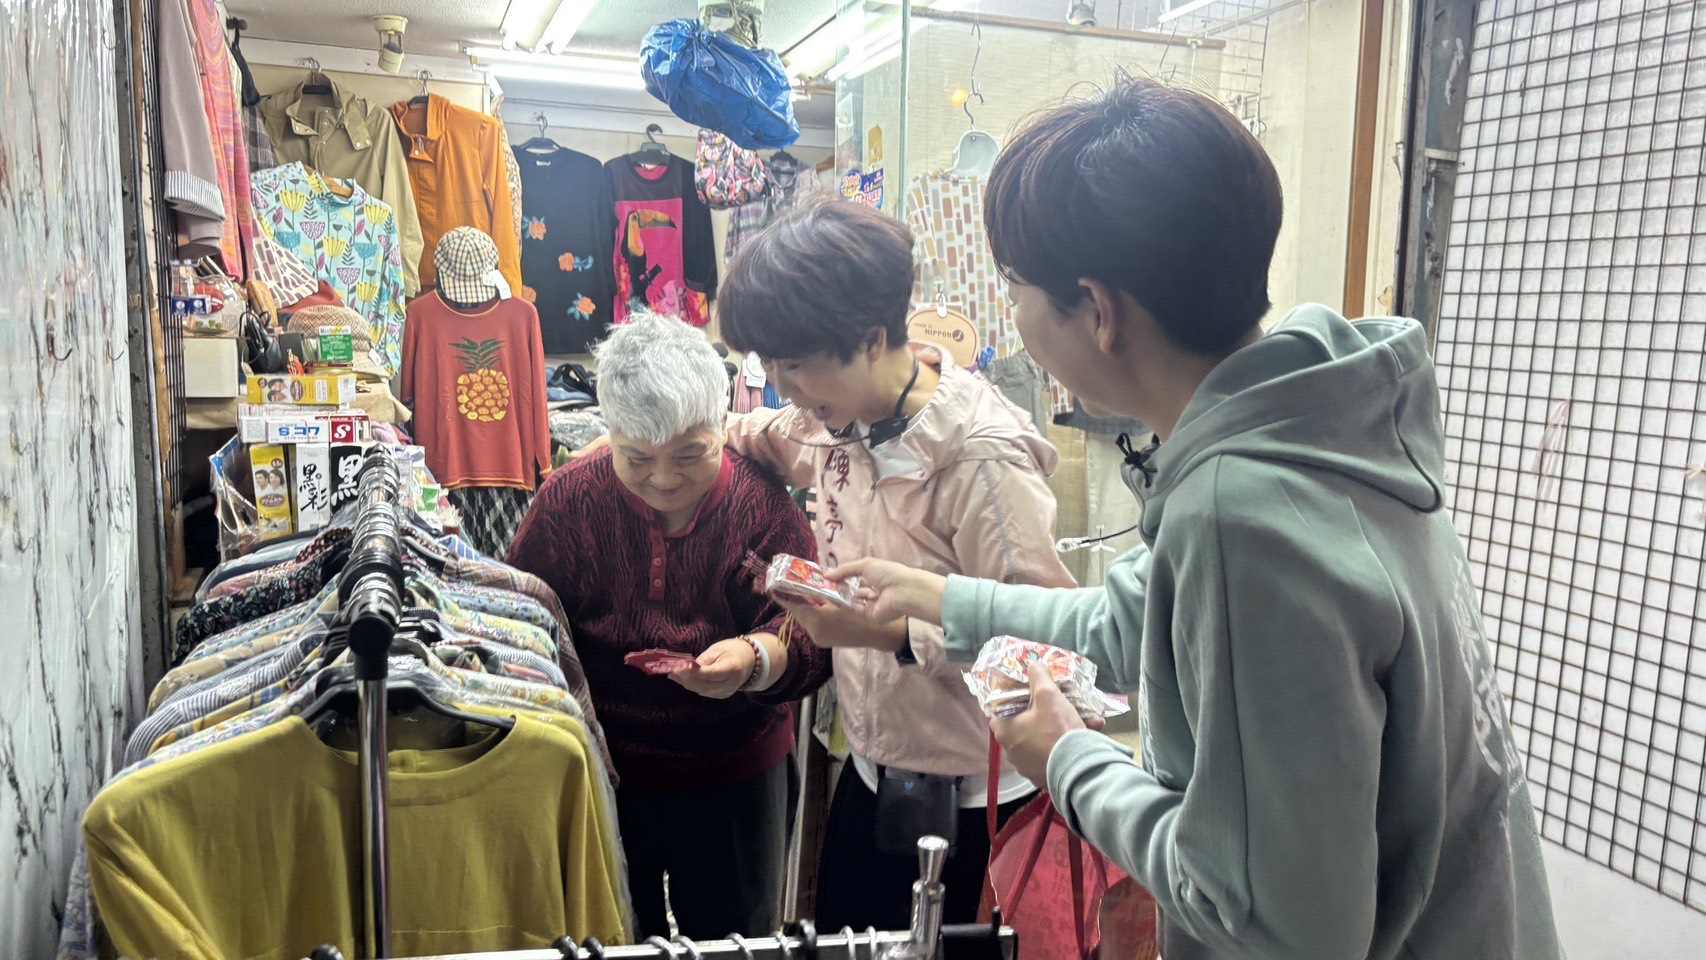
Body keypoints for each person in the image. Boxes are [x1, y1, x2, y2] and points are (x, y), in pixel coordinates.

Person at [834, 79, 1564, 960]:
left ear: (1099, 311)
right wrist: (938, 599)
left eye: (1017, 289)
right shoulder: (1321, 419)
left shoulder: (1241, 515)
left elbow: (1275, 925)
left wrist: (1068, 761)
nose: (1016, 318)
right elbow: (1128, 623)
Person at [715, 201, 1078, 931]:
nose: (785, 385)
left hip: (979, 804)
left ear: (873, 339)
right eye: (772, 365)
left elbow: (1045, 650)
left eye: (795, 364)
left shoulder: (979, 459)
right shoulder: (833, 420)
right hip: (873, 769)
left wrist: (892, 635)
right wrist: (662, 445)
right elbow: (761, 433)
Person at [506, 310, 833, 940]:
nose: (663, 479)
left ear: (722, 426)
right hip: (602, 773)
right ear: (608, 433)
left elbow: (812, 631)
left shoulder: (763, 508)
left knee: (738, 942)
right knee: (608, 938)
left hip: (736, 768)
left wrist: (755, 659)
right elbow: (526, 620)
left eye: (690, 455)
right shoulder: (569, 502)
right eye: (637, 457)